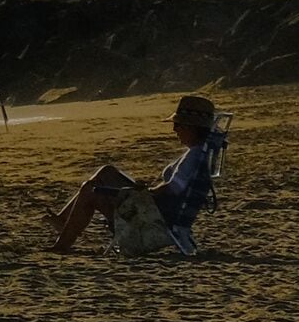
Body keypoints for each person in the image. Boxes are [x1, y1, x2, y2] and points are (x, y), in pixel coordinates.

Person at [50, 95, 226, 256]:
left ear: (191, 127)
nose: (174, 129)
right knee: (107, 171)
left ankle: (62, 244)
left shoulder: (193, 156)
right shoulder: (201, 154)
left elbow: (173, 188)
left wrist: (147, 191)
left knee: (90, 189)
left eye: (178, 125)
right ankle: (63, 221)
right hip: (161, 211)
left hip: (152, 218)